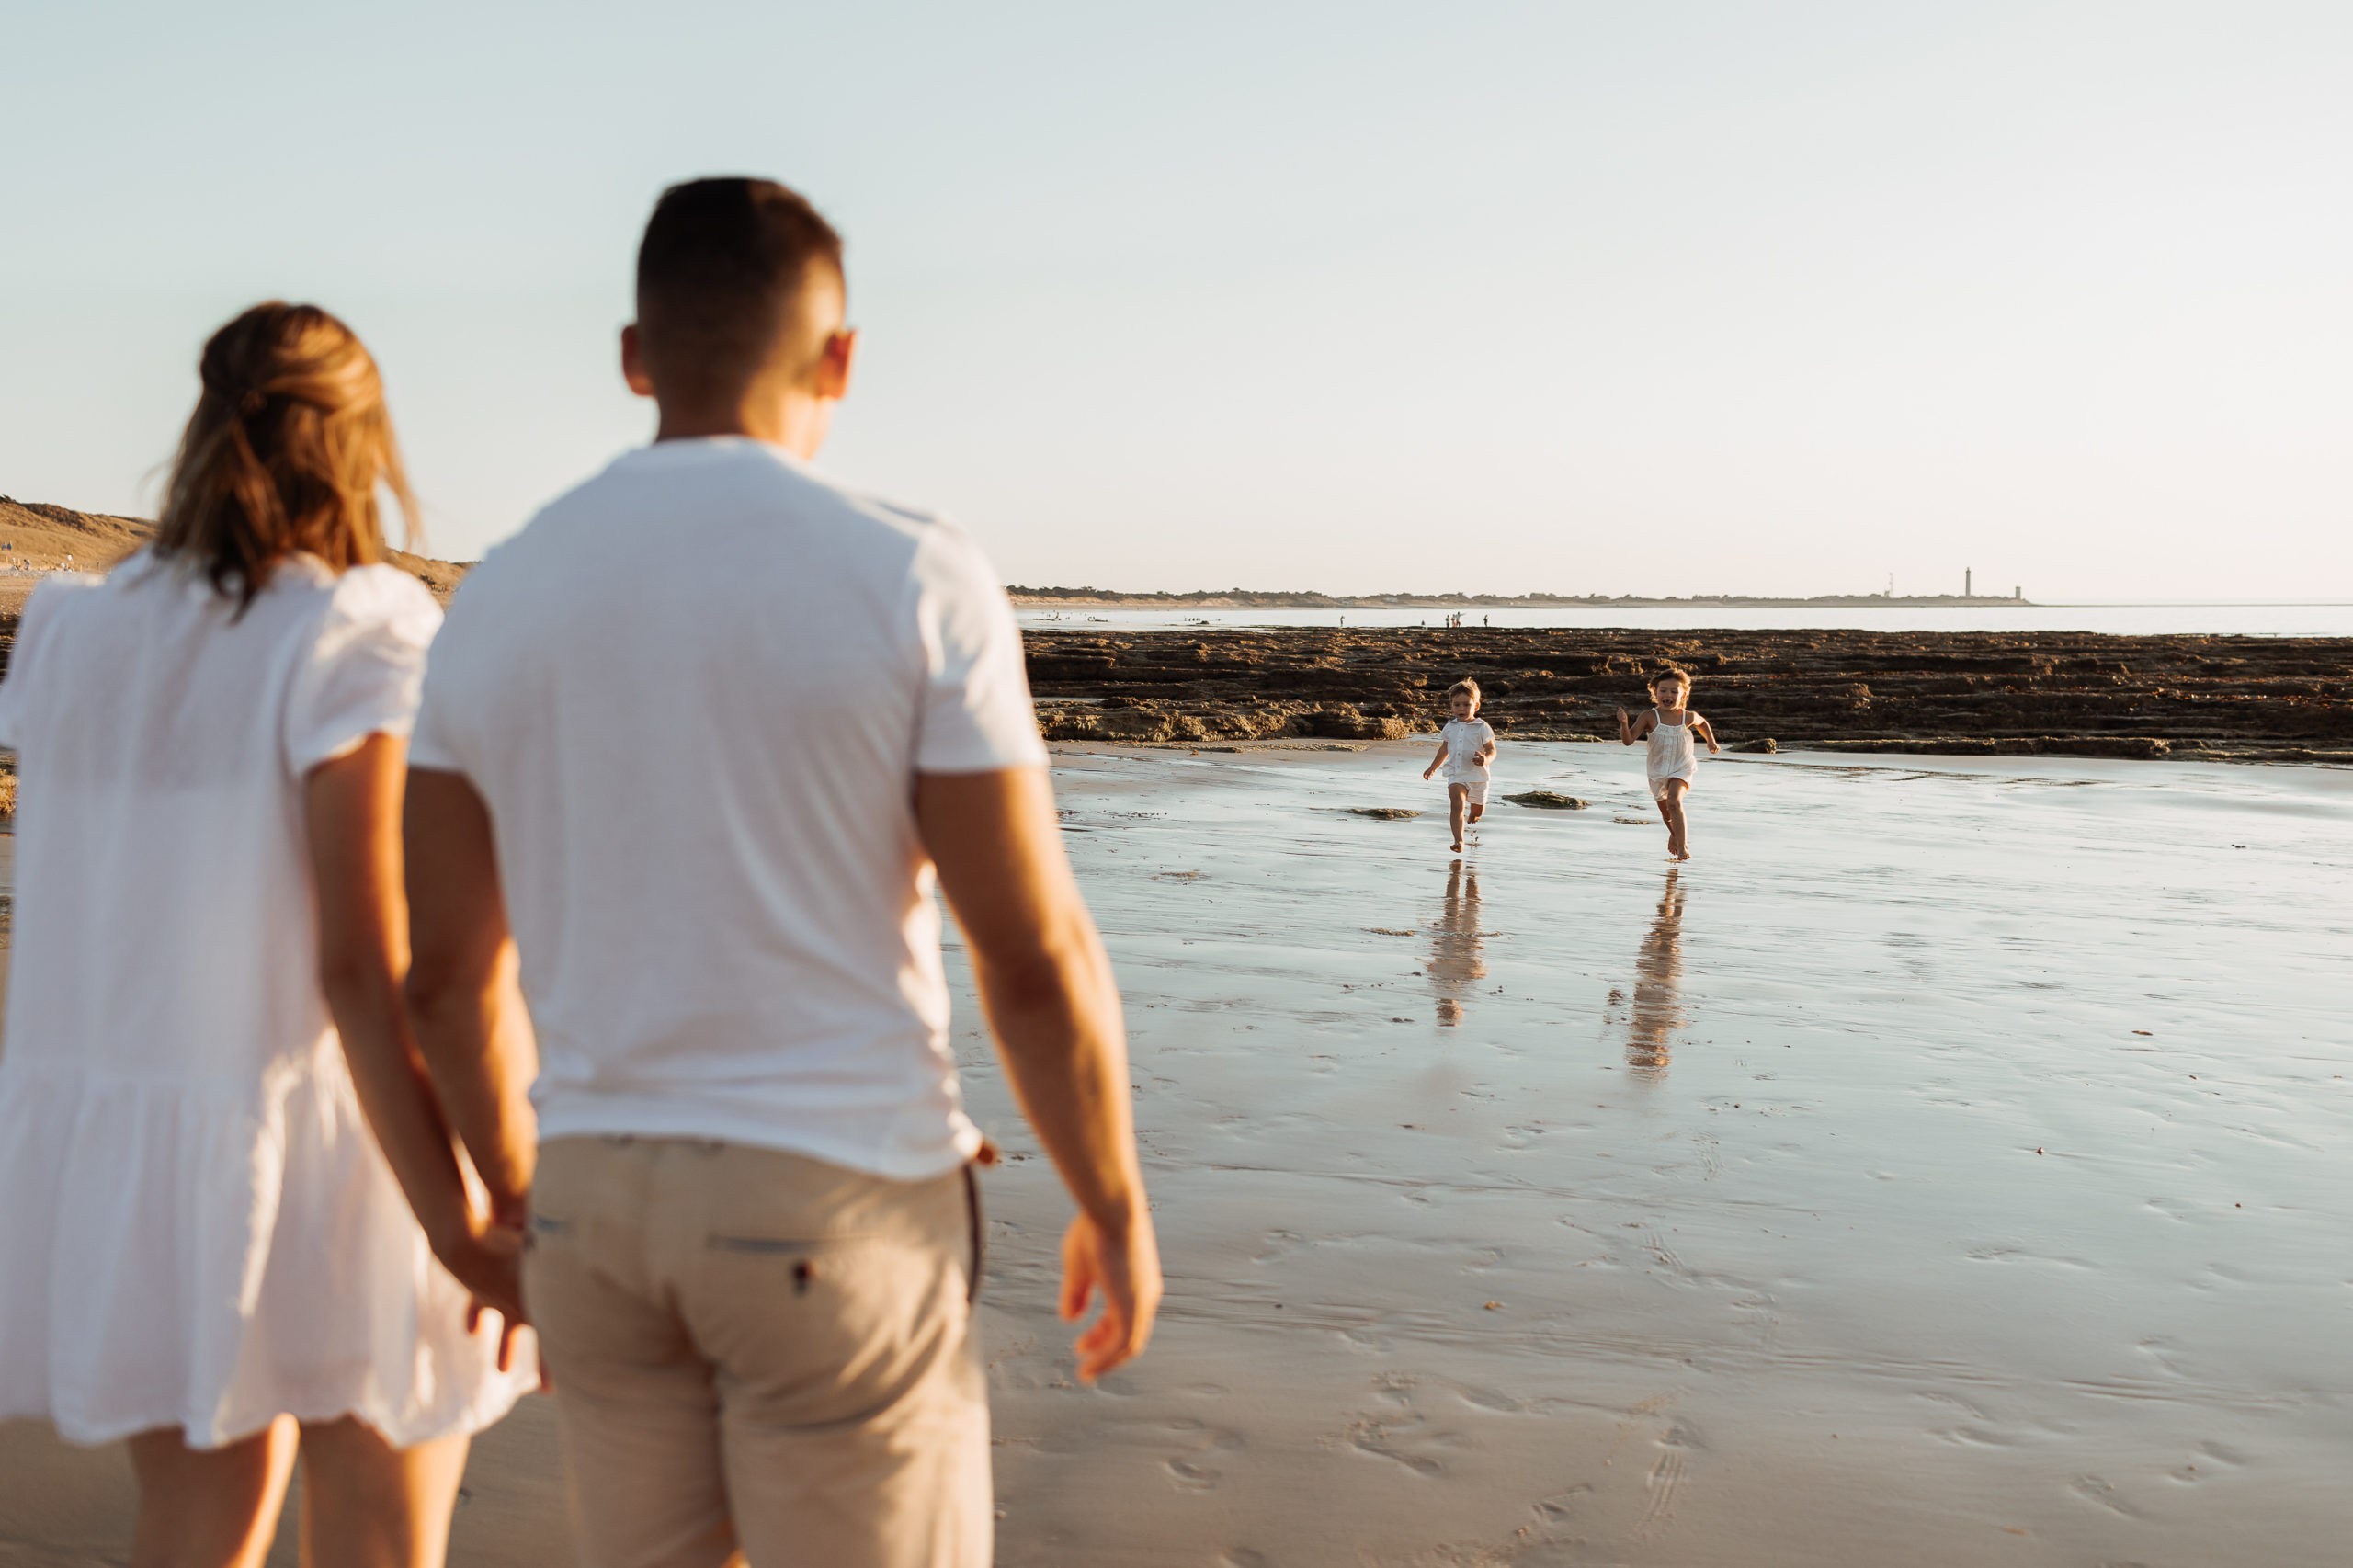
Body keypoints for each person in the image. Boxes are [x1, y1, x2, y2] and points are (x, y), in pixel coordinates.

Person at [399, 177, 1161, 1568]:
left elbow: (444, 975)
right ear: (842, 358)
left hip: (596, 1211)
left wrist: (521, 1200)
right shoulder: (911, 574)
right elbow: (1030, 953)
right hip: (838, 1199)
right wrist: (1112, 1199)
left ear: (635, 355)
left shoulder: (497, 593)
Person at [0, 302, 535, 1568]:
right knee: (376, 1536)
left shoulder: (74, 633)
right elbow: (363, 961)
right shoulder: (356, 628)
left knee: (192, 1530)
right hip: (347, 1145)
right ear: (362, 447)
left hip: (140, 1160)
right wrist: (480, 1215)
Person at [1617, 669, 1721, 861]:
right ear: (1655, 692)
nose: (1668, 695)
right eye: (1663, 691)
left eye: (1674, 691)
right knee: (1666, 814)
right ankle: (1675, 834)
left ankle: (1683, 847)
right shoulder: (1649, 716)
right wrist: (1624, 724)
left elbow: (1702, 722)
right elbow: (1628, 740)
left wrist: (1710, 742)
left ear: (1683, 694)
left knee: (1674, 801)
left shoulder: (1686, 716)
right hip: (1657, 770)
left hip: (1682, 766)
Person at [1421, 678, 1496, 853]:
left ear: (1476, 706)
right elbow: (1444, 749)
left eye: (1466, 705)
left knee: (1478, 811)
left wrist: (1485, 759)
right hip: (1456, 773)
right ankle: (1459, 841)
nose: (1461, 709)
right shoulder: (1450, 726)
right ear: (1451, 706)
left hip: (1478, 776)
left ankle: (1474, 814)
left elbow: (1492, 750)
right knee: (1457, 803)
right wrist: (1433, 767)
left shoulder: (1482, 727)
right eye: (1457, 705)